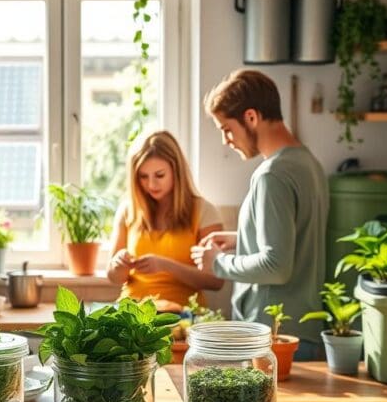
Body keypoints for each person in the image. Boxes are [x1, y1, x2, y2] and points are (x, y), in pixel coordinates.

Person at [191, 69, 329, 360]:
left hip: (274, 337)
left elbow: (276, 266)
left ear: (251, 117)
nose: (226, 140)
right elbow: (297, 240)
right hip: (305, 331)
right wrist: (241, 238)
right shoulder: (309, 164)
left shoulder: (272, 175)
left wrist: (217, 263)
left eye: (227, 129)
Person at [107, 130, 224, 311]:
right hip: (132, 314)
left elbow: (216, 281)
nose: (151, 185)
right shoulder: (128, 211)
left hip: (184, 316)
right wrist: (118, 264)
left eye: (159, 175)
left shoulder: (204, 211)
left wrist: (165, 265)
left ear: (176, 171)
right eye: (143, 177)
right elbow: (114, 277)